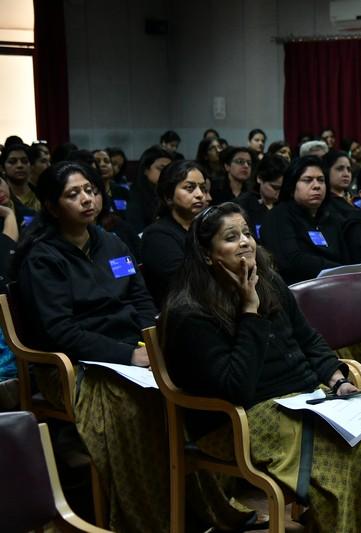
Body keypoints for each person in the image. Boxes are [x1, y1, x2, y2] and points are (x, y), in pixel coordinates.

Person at [160, 201, 361, 532]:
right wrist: (249, 312)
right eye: (231, 237)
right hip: (239, 420)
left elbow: (308, 339)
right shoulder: (191, 312)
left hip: (304, 399)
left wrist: (336, 380)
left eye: (247, 233)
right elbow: (236, 389)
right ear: (207, 254)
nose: (245, 242)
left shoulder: (269, 281)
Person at [13, 161, 253, 532]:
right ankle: (150, 518)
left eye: (90, 190)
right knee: (135, 405)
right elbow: (61, 331)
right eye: (73, 194)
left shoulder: (111, 242)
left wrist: (155, 339)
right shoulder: (42, 257)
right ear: (51, 206)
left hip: (134, 348)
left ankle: (201, 506)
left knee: (193, 380)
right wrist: (128, 355)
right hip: (76, 363)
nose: (87, 199)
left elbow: (141, 301)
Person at [260, 156, 345, 284]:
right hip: (297, 289)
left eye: (321, 180)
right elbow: (291, 261)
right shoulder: (278, 217)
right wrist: (339, 270)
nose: (317, 186)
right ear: (292, 186)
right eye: (307, 180)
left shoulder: (333, 218)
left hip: (337, 285)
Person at [141, 160, 209, 308]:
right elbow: (185, 283)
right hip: (181, 310)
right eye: (189, 188)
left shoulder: (207, 228)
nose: (200, 195)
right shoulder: (157, 236)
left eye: (203, 188)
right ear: (168, 196)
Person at [235, 154, 287, 240]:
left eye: (283, 189)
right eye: (275, 187)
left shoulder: (286, 205)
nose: (279, 193)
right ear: (259, 178)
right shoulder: (242, 206)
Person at [126, 146, 174, 233]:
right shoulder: (134, 195)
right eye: (161, 169)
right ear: (146, 170)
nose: (166, 173)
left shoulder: (170, 194)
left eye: (169, 170)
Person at [0, 143, 40, 211]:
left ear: (31, 166)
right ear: (2, 168)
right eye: (12, 162)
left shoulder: (41, 196)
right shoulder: (2, 197)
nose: (19, 165)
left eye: (25, 161)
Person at [93, 149, 130, 217]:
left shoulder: (123, 192)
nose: (103, 164)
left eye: (107, 161)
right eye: (97, 162)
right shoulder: (88, 194)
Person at [322, 150, 358, 219]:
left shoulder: (356, 198)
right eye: (340, 169)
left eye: (349, 169)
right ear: (326, 171)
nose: (346, 174)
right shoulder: (323, 203)